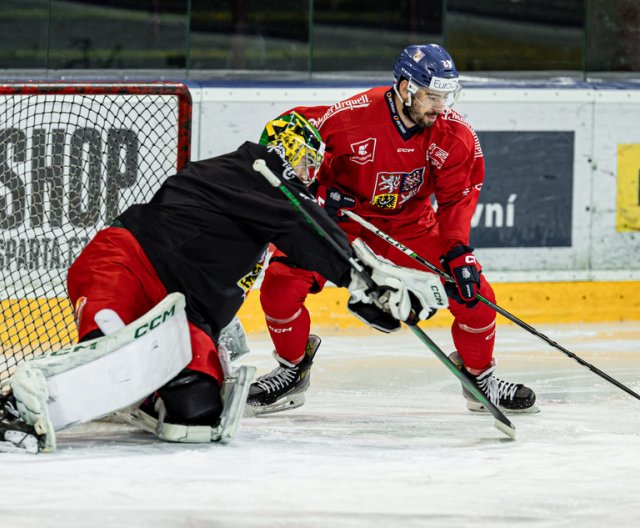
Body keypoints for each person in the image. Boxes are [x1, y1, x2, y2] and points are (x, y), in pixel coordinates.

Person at [0, 112, 447, 454]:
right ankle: (14, 406)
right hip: (126, 265)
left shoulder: (265, 205)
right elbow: (304, 224)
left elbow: (296, 236)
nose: (312, 175)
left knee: (196, 412)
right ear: (286, 151)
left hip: (183, 310)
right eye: (309, 162)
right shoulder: (257, 169)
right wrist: (363, 278)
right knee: (114, 349)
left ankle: (145, 391)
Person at [247, 44, 538, 416]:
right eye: (432, 96)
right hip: (341, 224)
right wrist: (321, 193)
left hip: (409, 225)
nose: (440, 106)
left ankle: (479, 378)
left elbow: (456, 201)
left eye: (445, 96)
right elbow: (291, 150)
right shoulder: (349, 118)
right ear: (404, 88)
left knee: (474, 295)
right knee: (280, 285)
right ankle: (292, 369)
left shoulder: (454, 135)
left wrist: (458, 250)